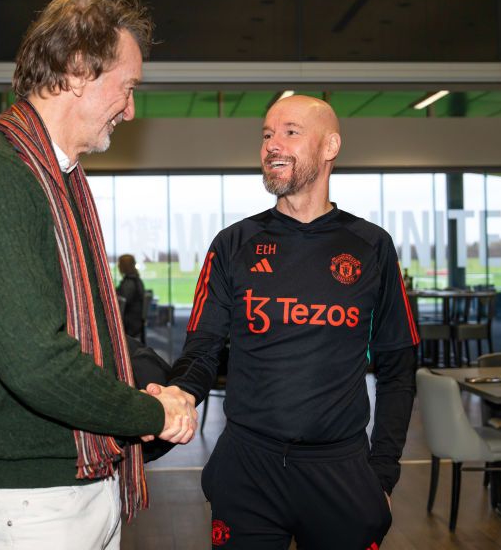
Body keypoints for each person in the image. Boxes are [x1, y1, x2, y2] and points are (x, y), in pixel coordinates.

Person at [0, 0, 197, 549]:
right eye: (127, 88)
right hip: (29, 504)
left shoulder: (59, 179)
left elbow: (80, 338)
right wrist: (149, 411)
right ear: (77, 70)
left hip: (80, 483)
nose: (131, 108)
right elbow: (35, 363)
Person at [167, 95, 419, 549]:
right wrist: (180, 392)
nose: (272, 145)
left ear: (330, 147)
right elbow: (201, 350)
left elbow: (397, 368)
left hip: (341, 470)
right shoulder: (233, 244)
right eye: (266, 135)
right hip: (248, 469)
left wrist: (383, 474)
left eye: (290, 132)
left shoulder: (371, 246)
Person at [117, 254, 146, 342]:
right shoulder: (137, 281)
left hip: (129, 324)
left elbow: (122, 303)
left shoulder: (128, 284)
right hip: (136, 321)